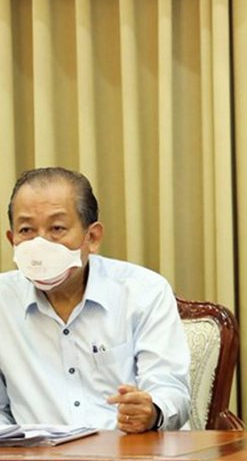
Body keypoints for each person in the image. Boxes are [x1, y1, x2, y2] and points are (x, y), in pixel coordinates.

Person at [0, 167, 191, 432]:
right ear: (12, 240)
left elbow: (171, 390)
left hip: (129, 447)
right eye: (26, 230)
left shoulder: (143, 291)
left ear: (92, 237)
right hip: (37, 451)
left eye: (57, 228)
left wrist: (151, 411)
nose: (40, 244)